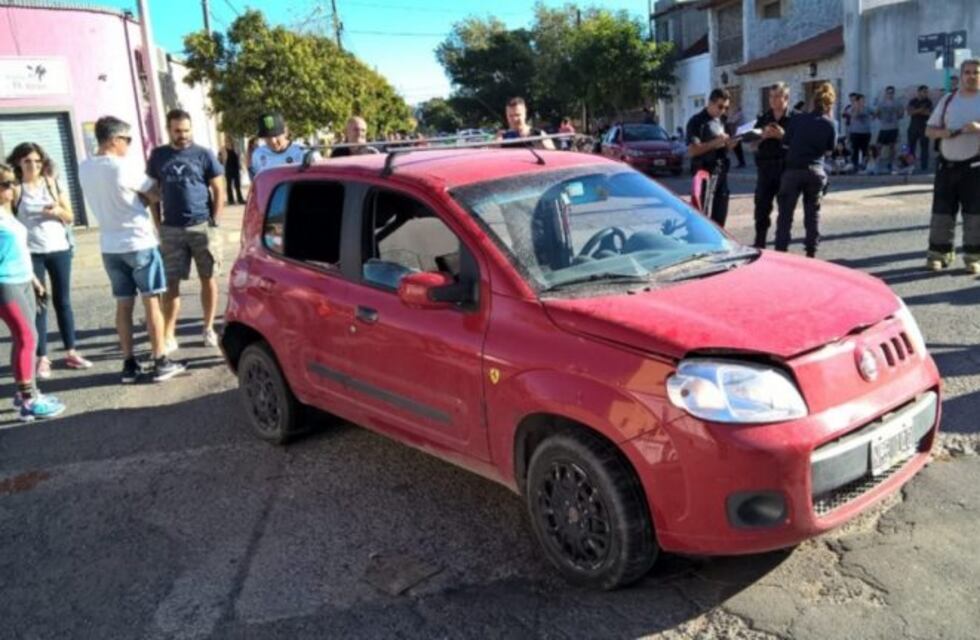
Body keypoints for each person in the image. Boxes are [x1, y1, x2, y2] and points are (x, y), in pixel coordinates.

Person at [77, 116, 185, 383]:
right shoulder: (122, 167)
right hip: (138, 242)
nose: (129, 146)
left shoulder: (84, 168)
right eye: (127, 140)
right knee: (152, 302)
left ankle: (129, 364)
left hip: (110, 246)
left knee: (123, 305)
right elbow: (155, 193)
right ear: (114, 139)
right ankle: (160, 360)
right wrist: (143, 200)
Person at [5, 143, 92, 378]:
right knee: (39, 305)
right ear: (19, 164)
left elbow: (71, 216)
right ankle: (42, 357)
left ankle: (71, 351)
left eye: (37, 161)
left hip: (59, 250)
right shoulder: (17, 190)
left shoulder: (53, 185)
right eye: (27, 161)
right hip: (32, 253)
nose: (33, 165)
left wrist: (57, 212)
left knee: (63, 302)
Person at [147, 109, 225, 352]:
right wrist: (158, 224)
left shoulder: (204, 154)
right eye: (178, 131)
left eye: (186, 130)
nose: (183, 135)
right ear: (169, 130)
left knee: (208, 279)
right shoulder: (158, 156)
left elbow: (218, 189)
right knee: (170, 284)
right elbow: (153, 192)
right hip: (171, 229)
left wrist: (215, 221)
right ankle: (169, 334)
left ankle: (208, 328)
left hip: (202, 226)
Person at [0, 163, 66, 420]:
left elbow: (19, 250)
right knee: (27, 336)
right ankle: (29, 401)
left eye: (13, 183)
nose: (12, 188)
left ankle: (26, 392)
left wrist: (35, 281)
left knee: (26, 337)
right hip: (5, 284)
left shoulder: (7, 213)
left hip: (24, 280)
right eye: (5, 184)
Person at [924, 58, 980, 273]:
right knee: (941, 212)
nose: (971, 76)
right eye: (967, 72)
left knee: (975, 214)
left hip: (975, 166)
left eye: (976, 72)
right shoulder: (948, 100)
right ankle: (938, 254)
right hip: (946, 166)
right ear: (961, 75)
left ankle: (974, 257)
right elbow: (929, 130)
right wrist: (943, 133)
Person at [774, 82, 837, 258]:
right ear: (829, 104)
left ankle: (781, 251)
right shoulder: (830, 124)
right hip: (816, 170)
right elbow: (829, 149)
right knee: (812, 214)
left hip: (793, 170)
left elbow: (785, 143)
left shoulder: (797, 119)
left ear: (812, 102)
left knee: (785, 215)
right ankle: (811, 251)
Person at [686, 88, 738, 227]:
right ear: (710, 103)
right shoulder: (696, 121)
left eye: (726, 108)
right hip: (704, 173)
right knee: (702, 217)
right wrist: (715, 143)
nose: (723, 111)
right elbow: (692, 150)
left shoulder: (722, 121)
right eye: (720, 106)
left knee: (720, 216)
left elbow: (724, 146)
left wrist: (730, 145)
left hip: (720, 172)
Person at [750, 82, 793, 247]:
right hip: (765, 169)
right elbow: (752, 145)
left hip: (786, 170)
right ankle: (759, 243)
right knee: (761, 207)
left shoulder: (795, 118)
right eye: (771, 96)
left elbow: (799, 145)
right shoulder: (763, 118)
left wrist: (783, 136)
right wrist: (763, 136)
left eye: (777, 96)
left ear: (786, 98)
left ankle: (781, 246)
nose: (773, 100)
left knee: (785, 211)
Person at [873, 86, 903, 172]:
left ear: (894, 93)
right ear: (885, 93)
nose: (890, 94)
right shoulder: (881, 103)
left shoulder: (897, 103)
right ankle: (876, 163)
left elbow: (901, 114)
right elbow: (877, 114)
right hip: (883, 128)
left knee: (892, 147)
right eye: (888, 92)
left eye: (892, 92)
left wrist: (895, 116)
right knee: (879, 146)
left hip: (893, 128)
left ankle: (891, 164)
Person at [907, 85, 934, 172]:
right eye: (924, 92)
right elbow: (909, 112)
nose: (926, 93)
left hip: (924, 128)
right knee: (911, 148)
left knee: (924, 148)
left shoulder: (928, 102)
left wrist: (917, 111)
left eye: (927, 92)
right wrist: (921, 110)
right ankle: (910, 166)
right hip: (913, 128)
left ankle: (924, 167)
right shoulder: (913, 101)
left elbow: (929, 113)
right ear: (919, 92)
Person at [848, 93, 872, 171]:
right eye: (861, 100)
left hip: (865, 132)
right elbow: (854, 116)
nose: (863, 102)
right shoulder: (852, 108)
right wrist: (857, 108)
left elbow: (875, 113)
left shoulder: (867, 108)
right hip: (855, 132)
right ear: (857, 101)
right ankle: (855, 166)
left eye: (863, 100)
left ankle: (864, 165)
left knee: (865, 150)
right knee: (855, 150)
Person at [219, 136, 245, 205]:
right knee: (229, 185)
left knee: (237, 185)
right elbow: (219, 159)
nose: (228, 142)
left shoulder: (235, 148)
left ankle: (240, 199)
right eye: (226, 141)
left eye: (229, 140)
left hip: (236, 168)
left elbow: (240, 157)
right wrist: (221, 159)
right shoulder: (223, 149)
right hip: (228, 168)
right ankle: (231, 200)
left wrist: (242, 167)